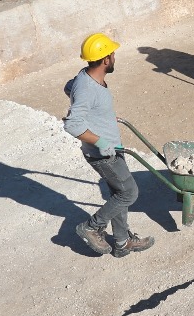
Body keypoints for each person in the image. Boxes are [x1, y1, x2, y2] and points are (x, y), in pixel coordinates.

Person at [64, 34, 153, 257]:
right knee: (129, 193)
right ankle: (92, 227)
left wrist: (97, 116)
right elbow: (72, 125)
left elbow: (69, 87)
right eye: (112, 55)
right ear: (105, 60)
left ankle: (122, 243)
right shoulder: (86, 88)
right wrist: (101, 141)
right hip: (102, 154)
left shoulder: (85, 78)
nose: (114, 58)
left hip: (111, 148)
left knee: (118, 193)